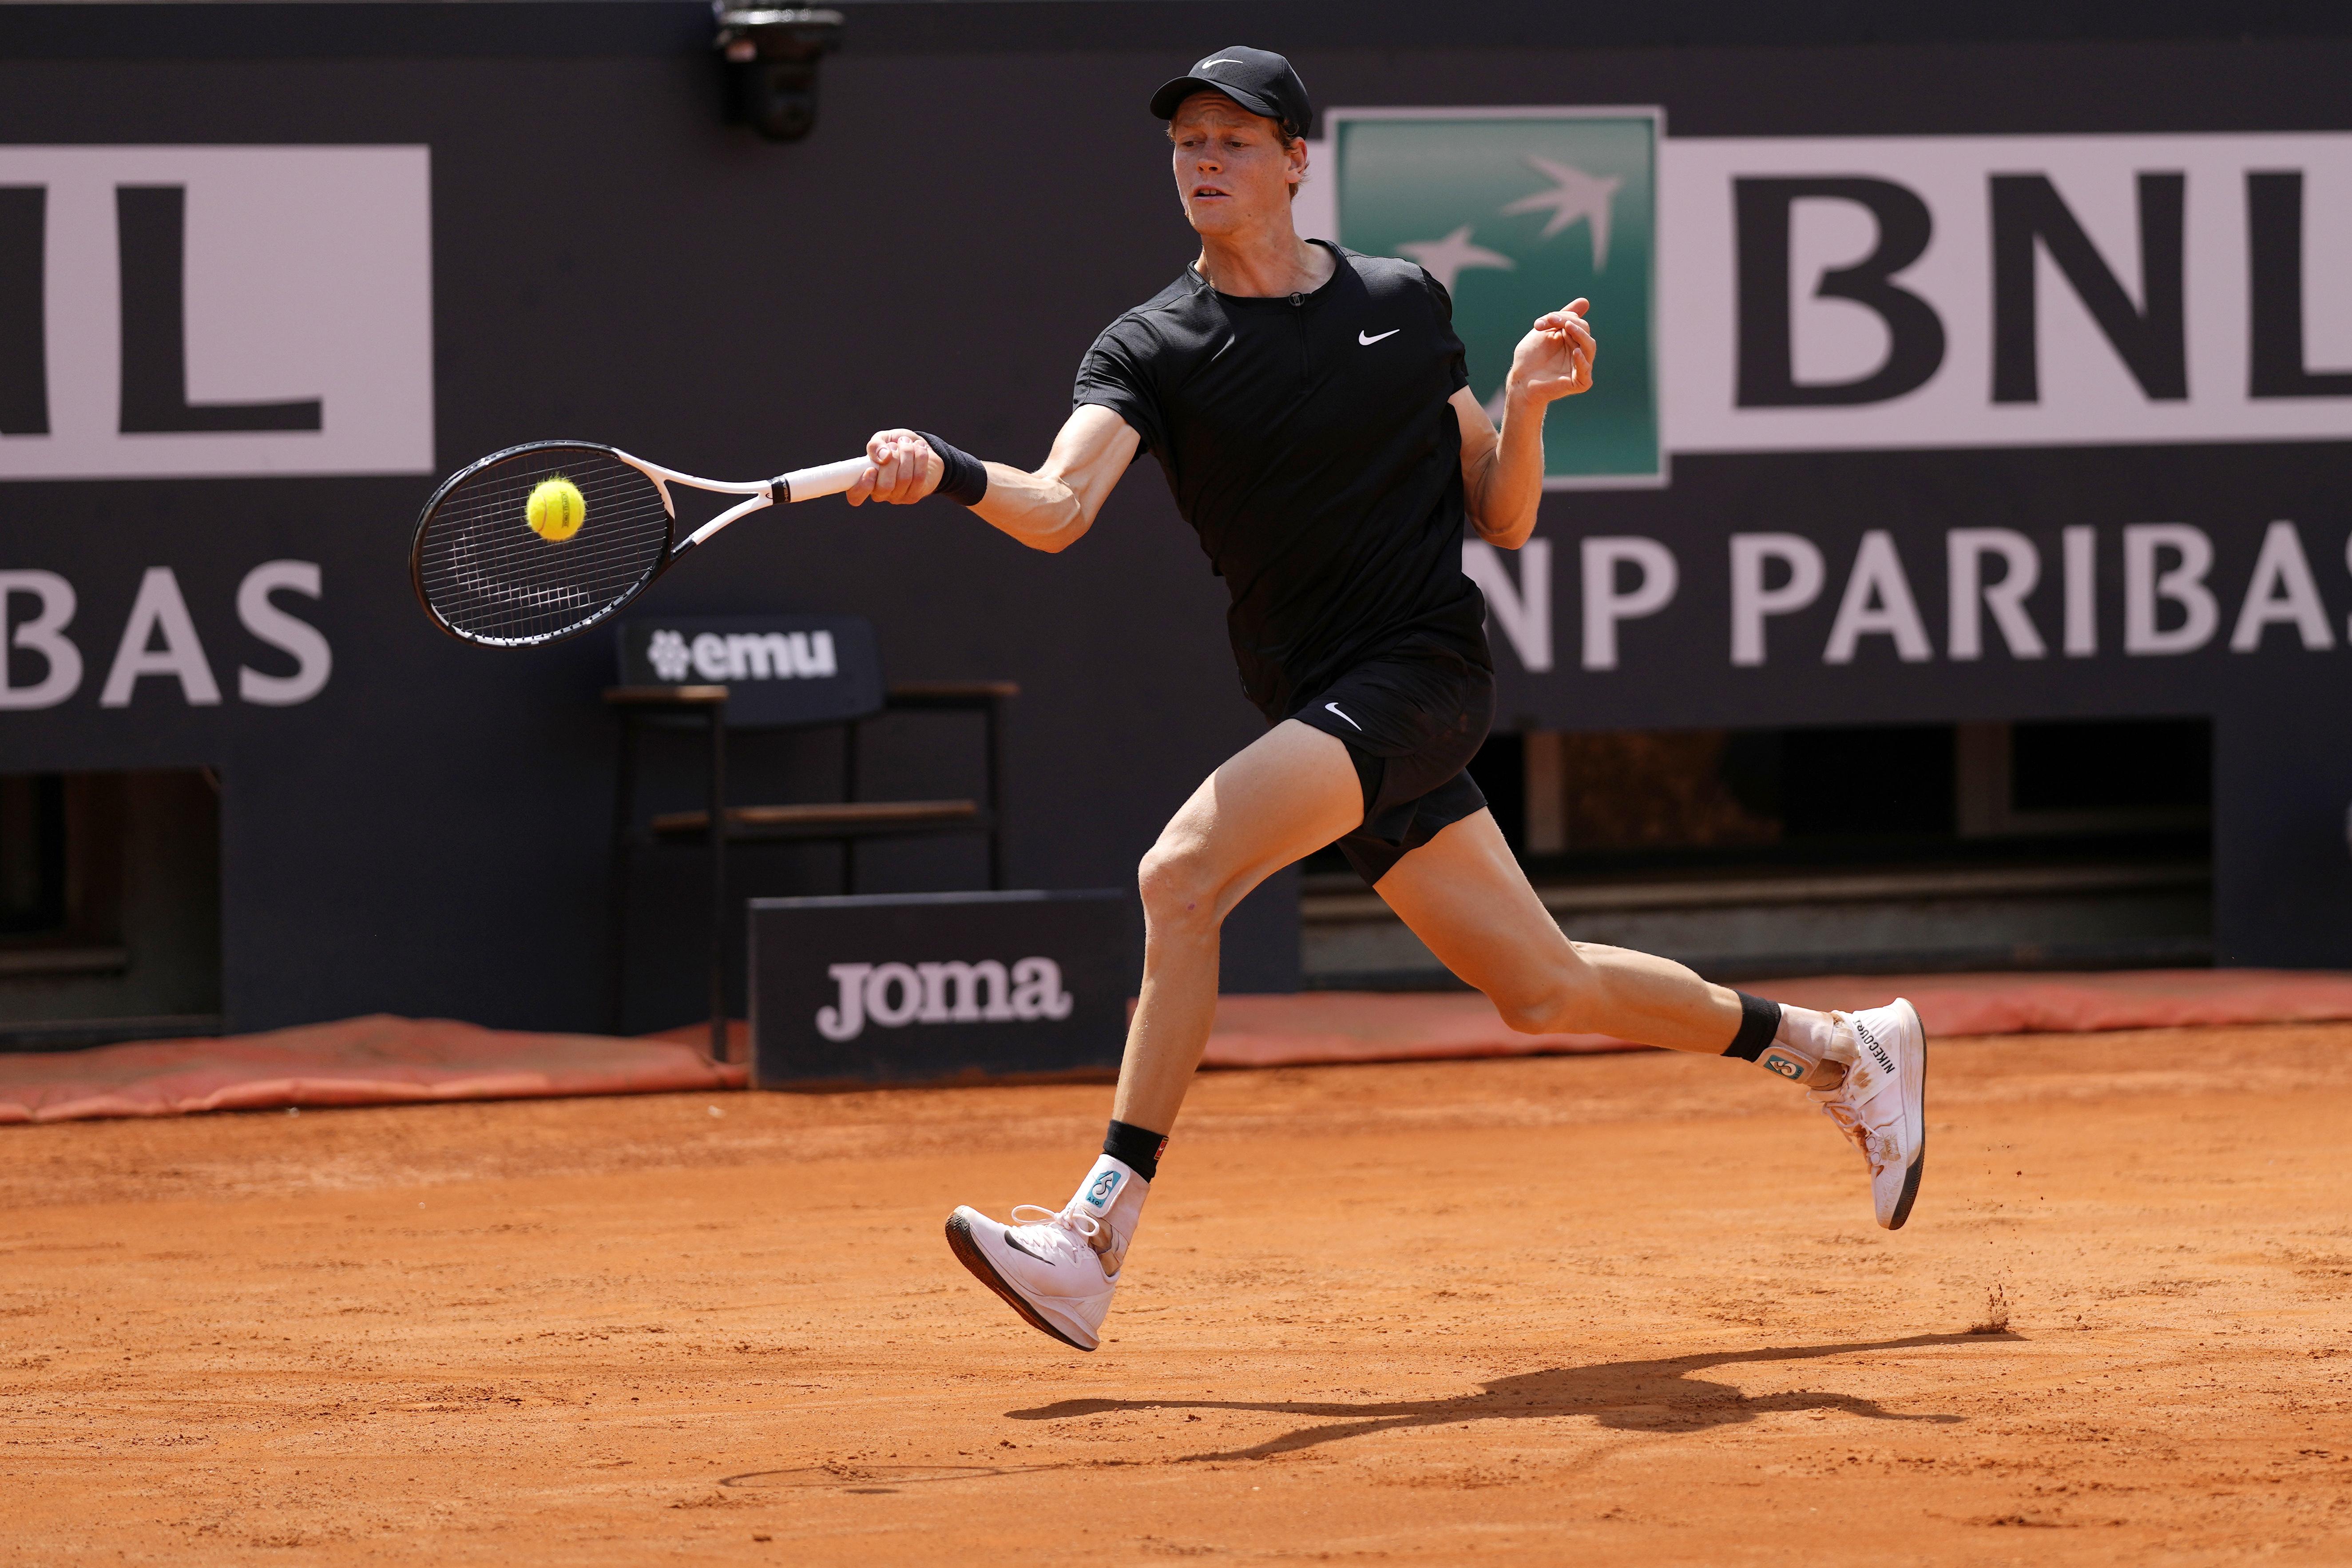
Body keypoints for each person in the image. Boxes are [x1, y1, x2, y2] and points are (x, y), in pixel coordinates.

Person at [845, 46, 1926, 1353]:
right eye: (1186, 138)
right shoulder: (1150, 345)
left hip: (1418, 673)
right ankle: (1839, 1049)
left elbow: (1503, 512)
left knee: (1179, 876)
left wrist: (1526, 404)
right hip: (1314, 697)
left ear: (1297, 159)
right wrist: (946, 471)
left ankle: (1092, 1236)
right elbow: (1059, 505)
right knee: (1542, 987)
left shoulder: (1403, 305)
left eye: (1236, 140)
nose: (1203, 158)